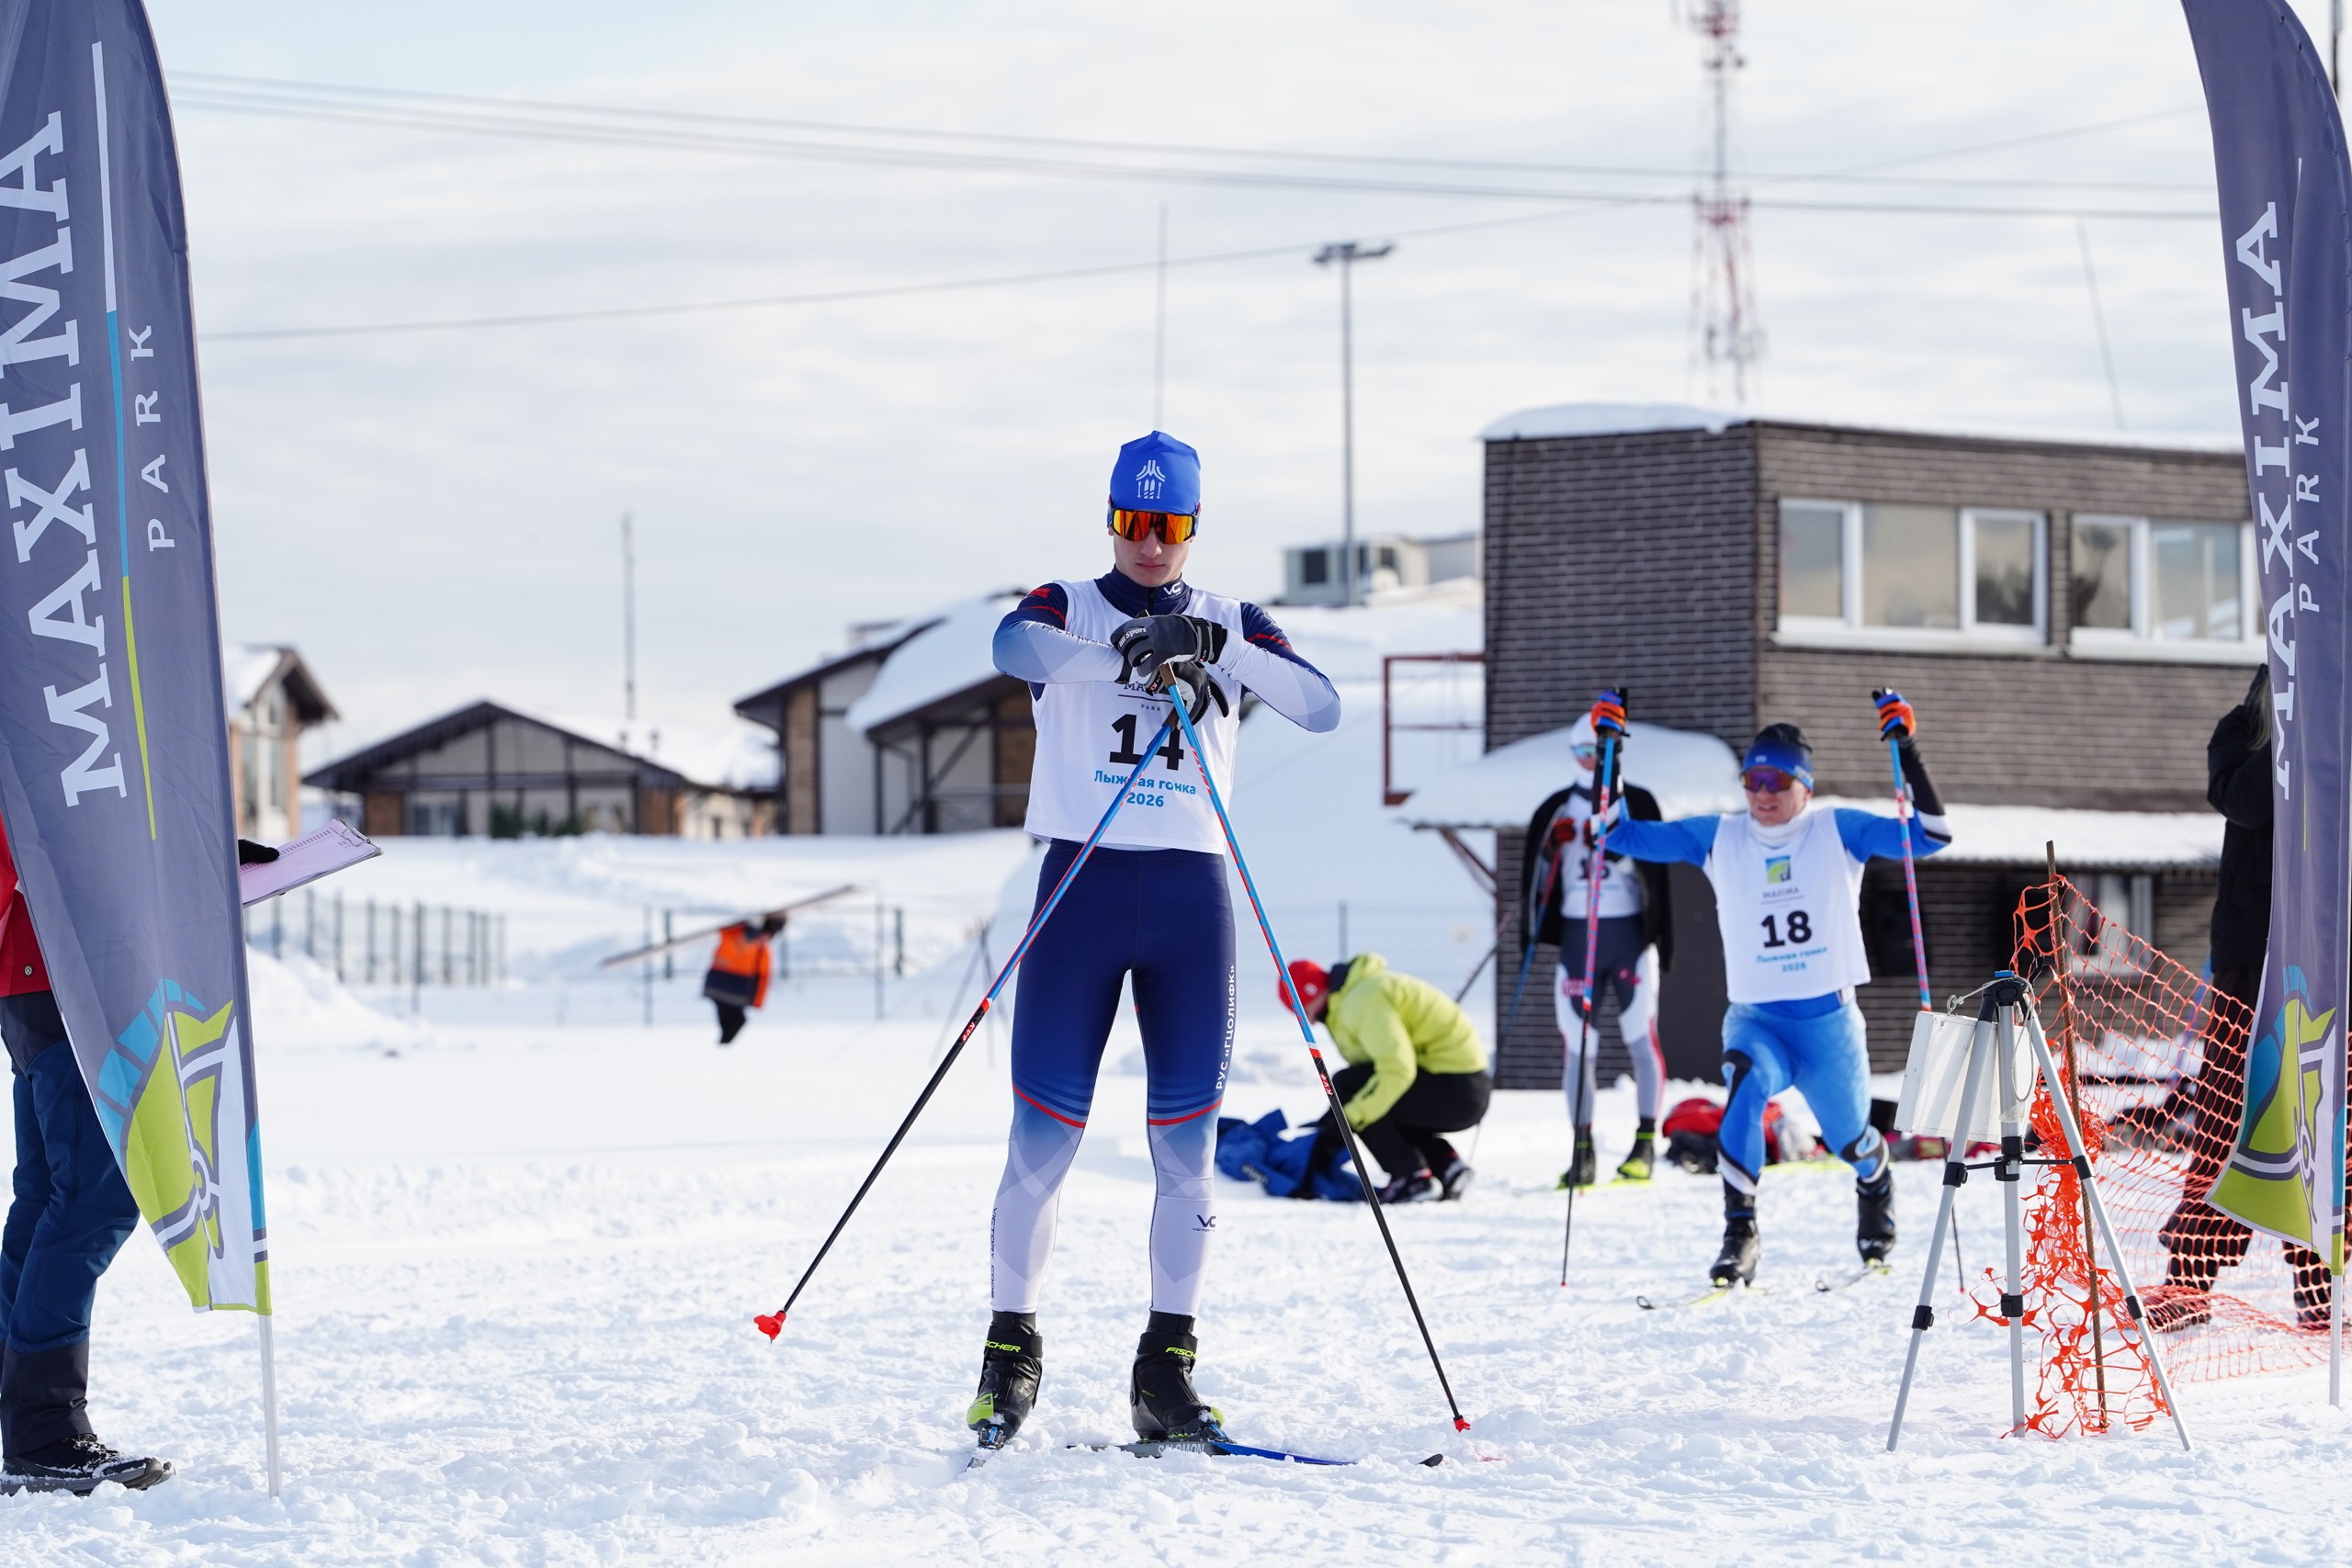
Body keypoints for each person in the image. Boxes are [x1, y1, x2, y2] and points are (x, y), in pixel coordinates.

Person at [966, 431, 1340, 1452]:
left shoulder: (1231, 617)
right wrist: (1119, 652)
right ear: (1111, 522)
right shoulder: (1067, 605)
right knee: (1042, 1141)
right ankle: (1010, 1356)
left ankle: (1165, 1370)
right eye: (1131, 522)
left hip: (1189, 899)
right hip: (1078, 887)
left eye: (1167, 524)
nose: (1148, 543)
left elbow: (1320, 707)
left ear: (1193, 527)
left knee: (1189, 1153)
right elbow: (1009, 648)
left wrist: (1216, 652)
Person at [1599, 688, 1950, 1286]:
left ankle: (1875, 1179)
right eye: (1752, 780)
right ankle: (1741, 1234)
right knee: (1743, 1089)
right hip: (1757, 1019)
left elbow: (1930, 835)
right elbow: (1617, 834)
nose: (1762, 793)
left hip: (1828, 1027)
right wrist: (1610, 750)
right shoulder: (1722, 834)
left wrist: (1907, 749)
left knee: (1850, 1139)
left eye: (1777, 781)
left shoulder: (1836, 828)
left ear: (1804, 787)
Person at [0, 818, 274, 1494]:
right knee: (92, 1197)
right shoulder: (36, 715)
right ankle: (41, 1429)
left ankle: (20, 1410)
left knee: (47, 1196)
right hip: (65, 967)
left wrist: (190, 851)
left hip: (40, 969)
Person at [2143, 666, 2331, 1332]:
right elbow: (2245, 800)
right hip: (2251, 960)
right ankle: (2189, 1283)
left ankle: (2321, 1284)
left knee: (2319, 1117)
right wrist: (2295, 733)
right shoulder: (2241, 733)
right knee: (2227, 1116)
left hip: (2328, 957)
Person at [1519, 709, 1674, 1190]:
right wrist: (1553, 847)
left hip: (1628, 936)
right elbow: (1536, 878)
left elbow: (1655, 864)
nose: (1589, 762)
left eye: (1597, 753)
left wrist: (1616, 844)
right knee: (1578, 1045)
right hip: (1576, 935)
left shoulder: (1638, 800)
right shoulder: (1556, 807)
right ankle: (1581, 1149)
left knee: (1640, 1039)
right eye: (1582, 753)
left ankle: (1645, 1144)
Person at [1283, 954, 1492, 1203]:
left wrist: (1349, 1117)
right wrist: (1335, 1121)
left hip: (1456, 1088)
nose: (1307, 1020)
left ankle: (1412, 1178)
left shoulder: (1361, 1001)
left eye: (1301, 1010)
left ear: (1309, 994)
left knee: (1357, 1093)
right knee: (1367, 1093)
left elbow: (1396, 1069)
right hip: (1462, 1086)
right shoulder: (1355, 996)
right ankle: (1446, 1167)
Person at [703, 915, 781, 1045]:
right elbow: (762, 975)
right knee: (736, 1021)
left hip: (727, 987)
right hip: (729, 988)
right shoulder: (745, 939)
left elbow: (762, 976)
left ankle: (723, 1047)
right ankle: (723, 1048)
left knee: (734, 1021)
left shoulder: (759, 948)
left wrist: (757, 1001)